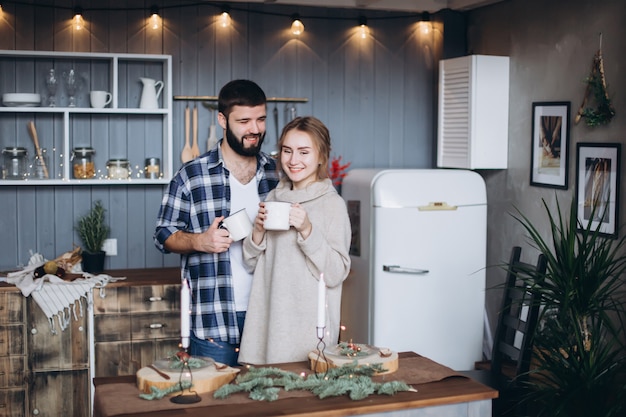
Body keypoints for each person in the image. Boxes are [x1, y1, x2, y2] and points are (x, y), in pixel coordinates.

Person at [153, 79, 280, 366]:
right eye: (244, 121)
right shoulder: (191, 175)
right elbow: (163, 234)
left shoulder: (278, 173)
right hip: (213, 317)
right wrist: (199, 241)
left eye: (260, 119)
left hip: (271, 312)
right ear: (222, 119)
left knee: (271, 403)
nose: (255, 129)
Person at [238, 116, 351, 365]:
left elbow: (336, 273)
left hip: (308, 332)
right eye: (287, 151)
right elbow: (251, 263)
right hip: (267, 325)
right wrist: (257, 231)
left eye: (303, 152)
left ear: (321, 156)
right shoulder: (273, 196)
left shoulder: (332, 205)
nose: (293, 160)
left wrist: (307, 230)